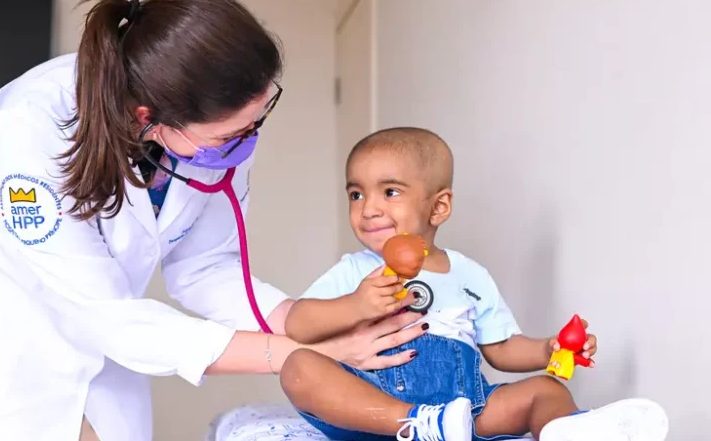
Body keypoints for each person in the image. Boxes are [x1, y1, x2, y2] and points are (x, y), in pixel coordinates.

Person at [0, 0, 428, 441]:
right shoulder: (32, 126)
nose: (246, 143)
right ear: (149, 118)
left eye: (258, 120)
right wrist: (304, 356)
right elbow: (112, 319)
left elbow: (206, 267)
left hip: (107, 350)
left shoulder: (215, 128)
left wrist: (313, 322)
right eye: (228, 135)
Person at [280, 127, 670, 441]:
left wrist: (546, 349)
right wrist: (355, 306)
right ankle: (417, 423)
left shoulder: (470, 275)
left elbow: (500, 348)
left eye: (390, 191)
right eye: (356, 193)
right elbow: (298, 323)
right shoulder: (356, 270)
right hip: (374, 413)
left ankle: (568, 432)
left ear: (439, 207)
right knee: (298, 367)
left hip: (467, 412)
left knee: (547, 391)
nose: (368, 208)